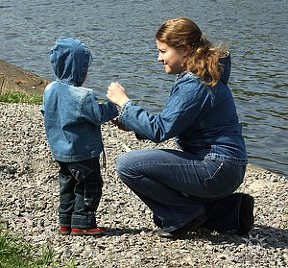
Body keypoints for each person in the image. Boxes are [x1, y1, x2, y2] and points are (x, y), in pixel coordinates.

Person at [106, 17, 254, 239]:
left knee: (127, 165)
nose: (158, 58)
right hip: (227, 167)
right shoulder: (204, 76)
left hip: (217, 168)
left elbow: (160, 130)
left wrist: (125, 103)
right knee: (160, 208)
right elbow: (174, 123)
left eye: (163, 51)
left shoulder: (195, 83)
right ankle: (229, 211)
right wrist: (132, 124)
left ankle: (183, 216)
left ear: (184, 50)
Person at [42, 37, 118, 236]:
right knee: (88, 187)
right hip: (83, 152)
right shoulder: (83, 95)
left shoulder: (50, 90)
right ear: (80, 69)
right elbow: (98, 115)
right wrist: (113, 106)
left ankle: (65, 222)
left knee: (67, 186)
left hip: (60, 151)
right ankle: (83, 222)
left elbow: (46, 111)